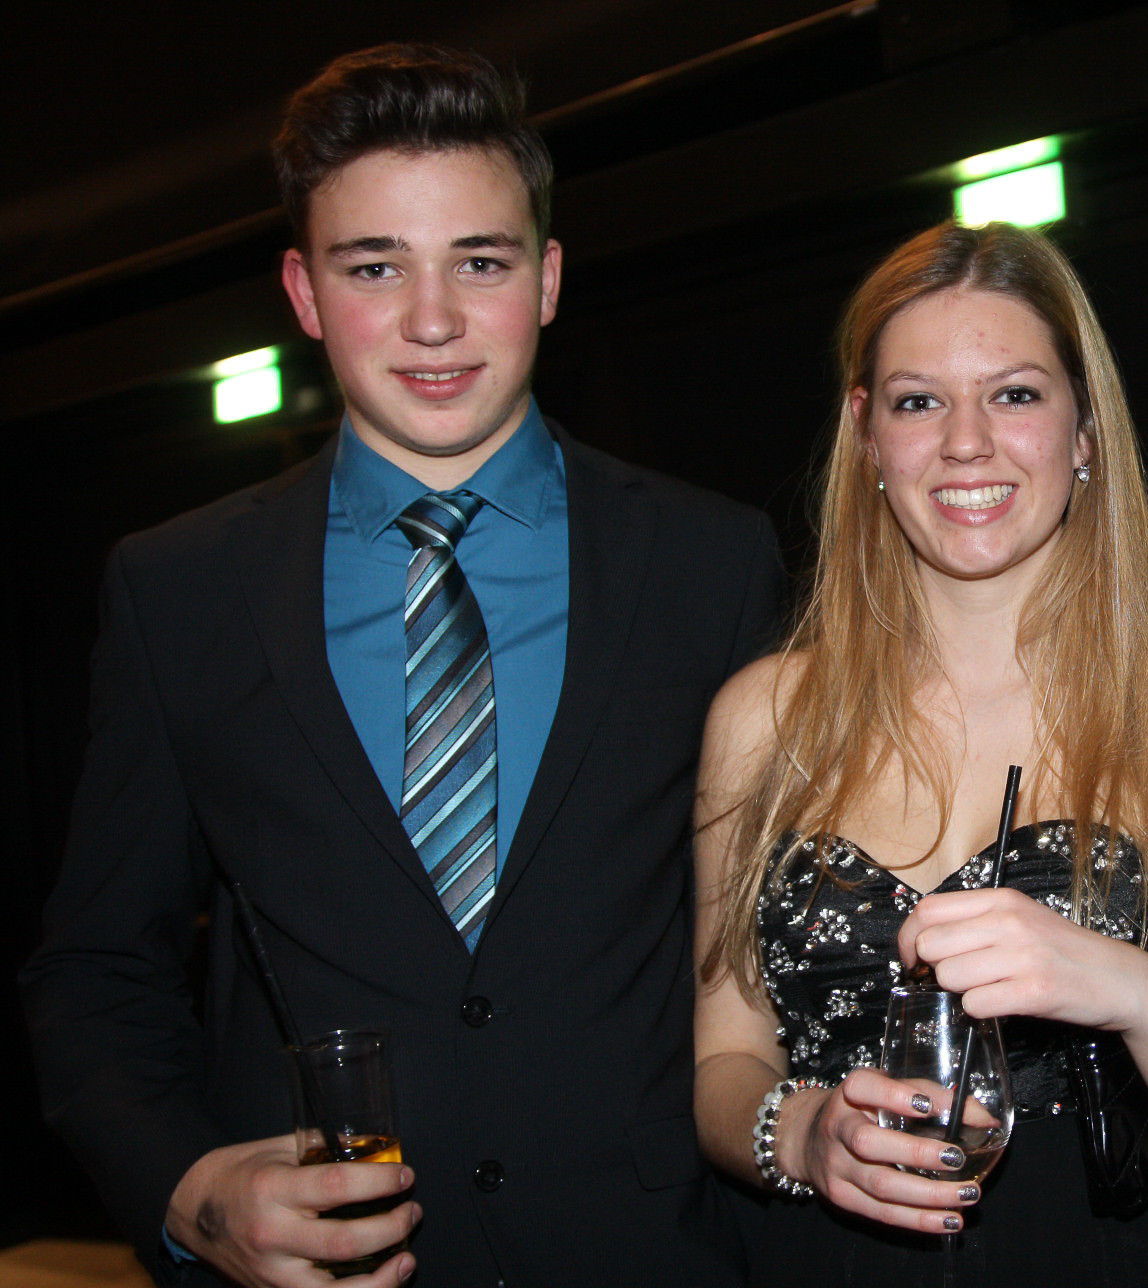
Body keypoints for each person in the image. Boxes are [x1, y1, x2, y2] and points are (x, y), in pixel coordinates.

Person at [20, 44, 783, 1288]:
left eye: (479, 261)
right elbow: (98, 967)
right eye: (374, 266)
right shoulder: (178, 587)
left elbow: (771, 934)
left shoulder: (713, 562)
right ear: (304, 292)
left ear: (545, 279)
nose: (433, 320)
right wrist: (195, 1193)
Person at [690, 221, 1148, 1286]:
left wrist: (1143, 997)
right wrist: (800, 1134)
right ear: (866, 436)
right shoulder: (764, 719)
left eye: (1015, 394)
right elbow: (723, 1057)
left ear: (1085, 430)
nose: (966, 442)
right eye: (918, 402)